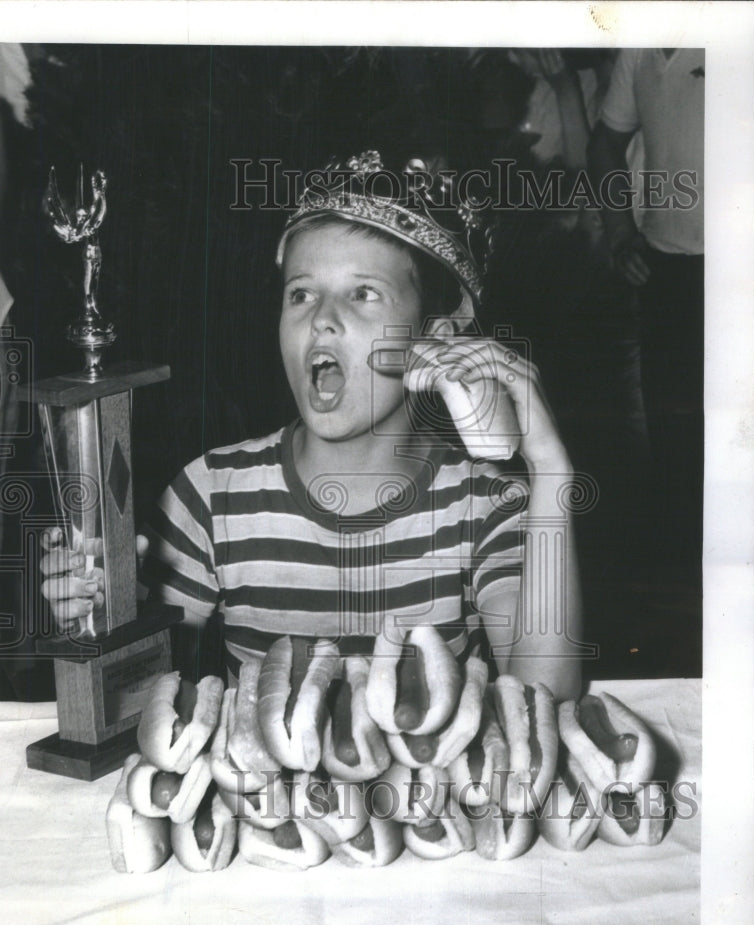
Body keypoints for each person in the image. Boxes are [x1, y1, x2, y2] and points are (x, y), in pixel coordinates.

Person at [40, 152, 582, 703]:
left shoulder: (485, 503)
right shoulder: (211, 493)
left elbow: (542, 705)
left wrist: (549, 469)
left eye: (363, 293)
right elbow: (142, 690)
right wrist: (96, 612)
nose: (321, 316)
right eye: (300, 293)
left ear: (434, 340)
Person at [587, 49, 705, 586]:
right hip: (666, 272)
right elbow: (606, 142)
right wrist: (619, 232)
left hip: (738, 268)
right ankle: (682, 585)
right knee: (673, 436)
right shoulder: (640, 45)